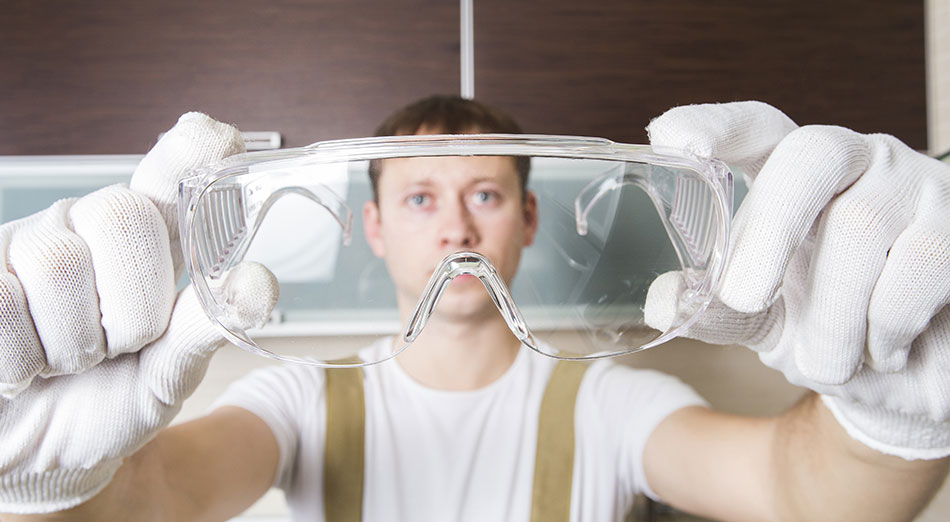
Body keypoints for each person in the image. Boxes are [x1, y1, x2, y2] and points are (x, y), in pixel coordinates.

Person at [0, 95, 948, 522]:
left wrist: (896, 422)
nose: (455, 228)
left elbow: (795, 493)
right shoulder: (295, 400)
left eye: (485, 196)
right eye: (420, 199)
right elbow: (162, 502)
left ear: (528, 219)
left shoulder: (608, 402)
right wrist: (42, 485)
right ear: (372, 227)